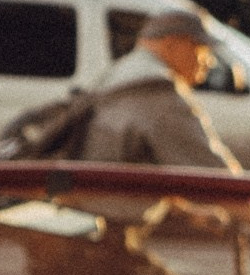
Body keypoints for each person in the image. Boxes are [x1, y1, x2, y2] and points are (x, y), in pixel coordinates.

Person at [81, 12, 241, 172]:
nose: (209, 61)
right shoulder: (156, 90)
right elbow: (214, 176)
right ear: (172, 45)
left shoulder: (117, 75)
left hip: (95, 191)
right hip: (119, 195)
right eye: (201, 49)